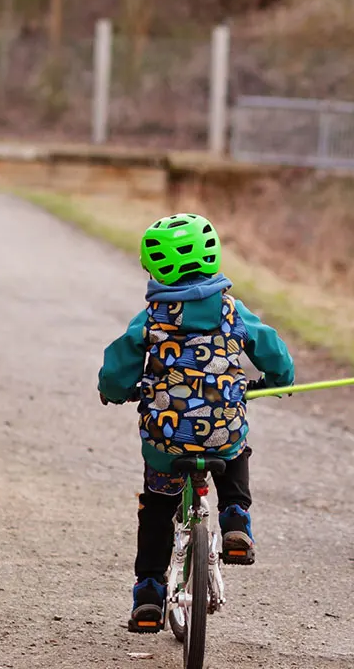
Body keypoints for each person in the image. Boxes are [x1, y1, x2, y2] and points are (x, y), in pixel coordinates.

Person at [98, 213, 295, 632]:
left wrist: (114, 392)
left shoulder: (151, 317)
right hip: (221, 430)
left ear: (154, 268)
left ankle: (149, 593)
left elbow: (117, 370)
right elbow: (273, 351)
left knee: (156, 506)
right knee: (235, 447)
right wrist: (279, 380)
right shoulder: (232, 310)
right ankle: (236, 517)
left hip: (166, 442)